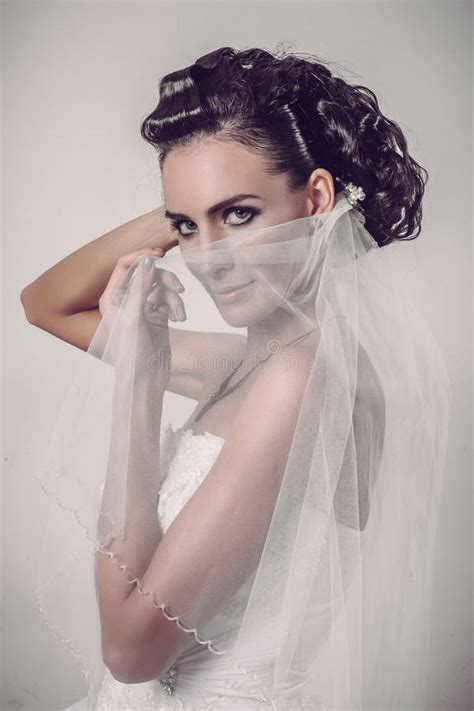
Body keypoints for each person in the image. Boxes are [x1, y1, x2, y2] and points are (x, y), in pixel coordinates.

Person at [21, 46, 451, 710]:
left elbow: (130, 651)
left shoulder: (302, 381)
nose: (209, 260)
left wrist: (139, 378)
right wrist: (198, 200)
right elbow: (43, 304)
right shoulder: (249, 366)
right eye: (187, 228)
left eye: (241, 215)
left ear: (317, 197)